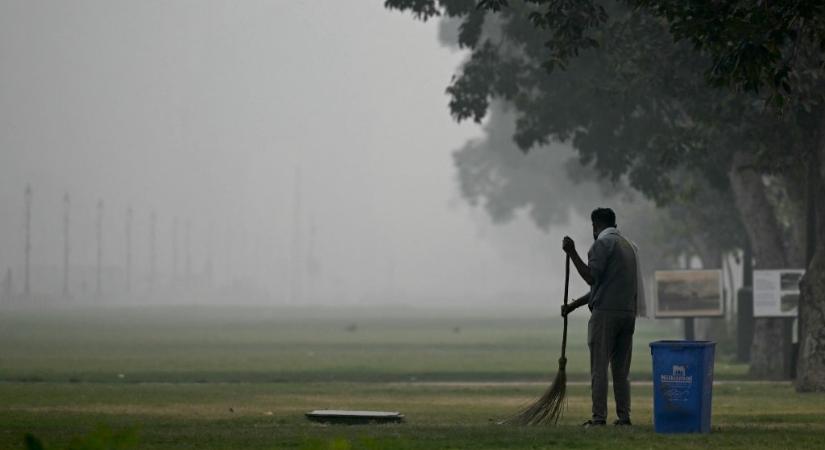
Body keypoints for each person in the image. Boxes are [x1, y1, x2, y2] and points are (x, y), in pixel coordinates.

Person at [560, 207, 645, 427]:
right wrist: (573, 306)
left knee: (599, 367)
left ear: (595, 226)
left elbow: (591, 277)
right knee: (620, 370)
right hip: (627, 314)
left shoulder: (602, 244)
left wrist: (572, 252)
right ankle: (624, 416)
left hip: (605, 315)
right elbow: (603, 286)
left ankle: (599, 417)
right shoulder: (629, 246)